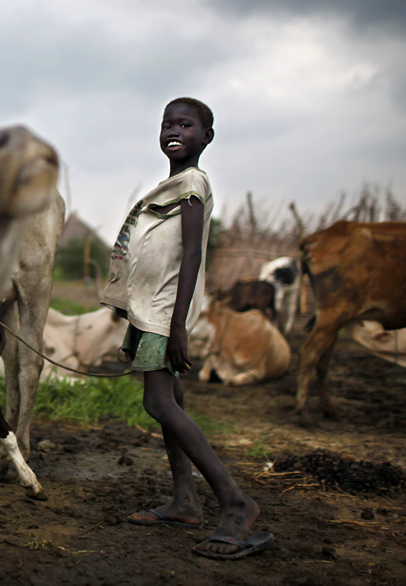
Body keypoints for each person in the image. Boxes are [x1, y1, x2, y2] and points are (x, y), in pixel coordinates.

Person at [100, 97, 273, 560]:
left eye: (186, 124)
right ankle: (184, 501)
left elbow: (193, 254)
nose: (174, 130)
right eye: (167, 123)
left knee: (158, 401)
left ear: (206, 137)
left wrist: (178, 326)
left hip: (164, 313)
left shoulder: (192, 183)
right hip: (149, 309)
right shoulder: (171, 185)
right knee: (171, 398)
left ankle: (236, 503)